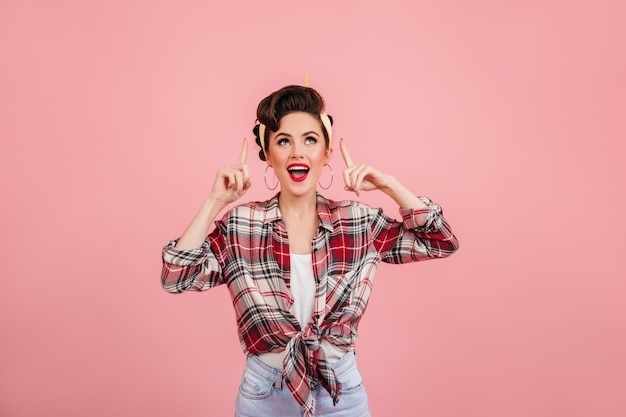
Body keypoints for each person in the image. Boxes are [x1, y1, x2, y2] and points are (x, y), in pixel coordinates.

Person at [160, 84, 459, 417]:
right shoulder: (241, 224)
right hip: (265, 394)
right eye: (284, 141)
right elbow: (177, 276)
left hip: (340, 393)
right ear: (269, 155)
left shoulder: (357, 221)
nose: (297, 153)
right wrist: (214, 201)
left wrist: (389, 184)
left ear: (326, 152)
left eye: (310, 139)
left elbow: (440, 241)